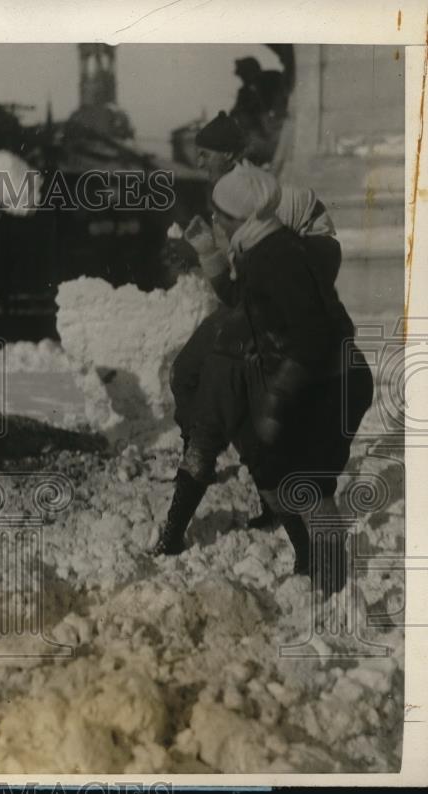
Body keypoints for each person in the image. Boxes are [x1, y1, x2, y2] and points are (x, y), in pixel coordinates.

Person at [154, 165, 374, 595]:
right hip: (315, 376)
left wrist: (277, 398)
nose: (216, 221)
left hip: (334, 381)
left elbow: (314, 335)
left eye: (220, 216)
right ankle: (317, 569)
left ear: (242, 216)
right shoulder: (258, 249)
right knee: (275, 470)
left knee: (309, 484)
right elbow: (243, 301)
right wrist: (209, 252)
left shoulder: (279, 254)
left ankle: (331, 585)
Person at [168, 111, 341, 532]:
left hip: (272, 307)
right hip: (249, 298)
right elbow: (230, 281)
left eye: (206, 154)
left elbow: (313, 250)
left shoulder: (265, 194)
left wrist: (282, 288)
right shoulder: (226, 196)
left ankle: (211, 459)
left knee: (223, 381)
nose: (200, 162)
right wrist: (204, 249)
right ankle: (206, 450)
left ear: (228, 155)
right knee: (186, 372)